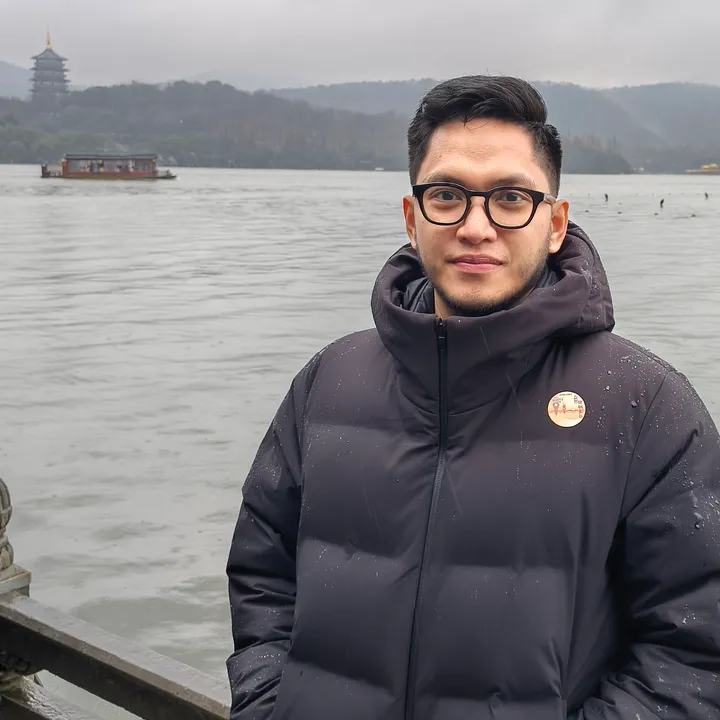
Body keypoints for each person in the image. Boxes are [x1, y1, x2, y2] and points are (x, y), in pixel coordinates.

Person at [226, 76, 720, 720]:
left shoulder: (645, 404)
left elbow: (694, 649)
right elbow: (262, 570)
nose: (476, 227)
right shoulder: (331, 380)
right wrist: (270, 706)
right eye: (447, 196)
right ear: (412, 218)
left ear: (554, 223)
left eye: (511, 197)